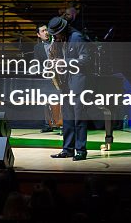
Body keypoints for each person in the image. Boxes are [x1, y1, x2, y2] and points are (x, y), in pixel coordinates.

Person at [47, 16, 92, 161]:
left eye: (56, 34)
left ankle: (81, 150)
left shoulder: (77, 37)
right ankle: (67, 149)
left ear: (63, 30)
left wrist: (64, 62)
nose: (55, 37)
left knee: (79, 118)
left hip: (79, 83)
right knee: (67, 118)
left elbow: (86, 60)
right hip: (66, 83)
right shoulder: (60, 40)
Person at [33, 25, 57, 133]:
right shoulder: (37, 47)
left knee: (59, 100)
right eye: (43, 31)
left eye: (46, 30)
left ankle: (60, 123)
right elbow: (37, 62)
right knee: (45, 101)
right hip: (45, 76)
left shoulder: (56, 43)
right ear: (38, 35)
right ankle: (48, 124)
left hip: (58, 75)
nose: (46, 32)